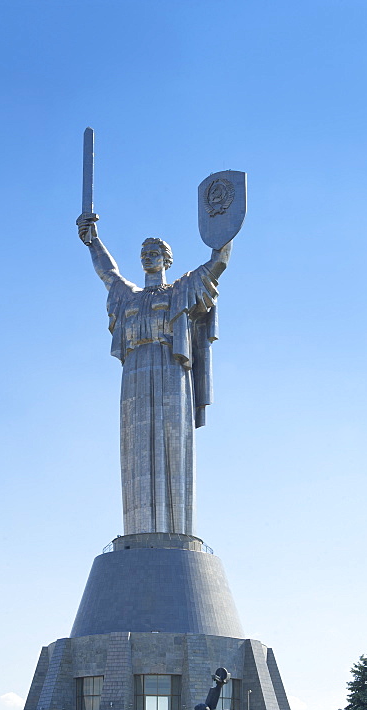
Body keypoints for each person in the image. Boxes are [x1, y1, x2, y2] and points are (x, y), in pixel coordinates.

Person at [76, 212, 233, 535]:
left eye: (154, 253)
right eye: (144, 254)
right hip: (134, 372)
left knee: (171, 443)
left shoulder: (179, 291)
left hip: (171, 367)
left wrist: (225, 232)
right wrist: (93, 240)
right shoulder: (127, 296)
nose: (148, 258)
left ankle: (175, 531)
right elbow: (108, 273)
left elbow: (216, 265)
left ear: (166, 261)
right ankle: (139, 532)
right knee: (136, 448)